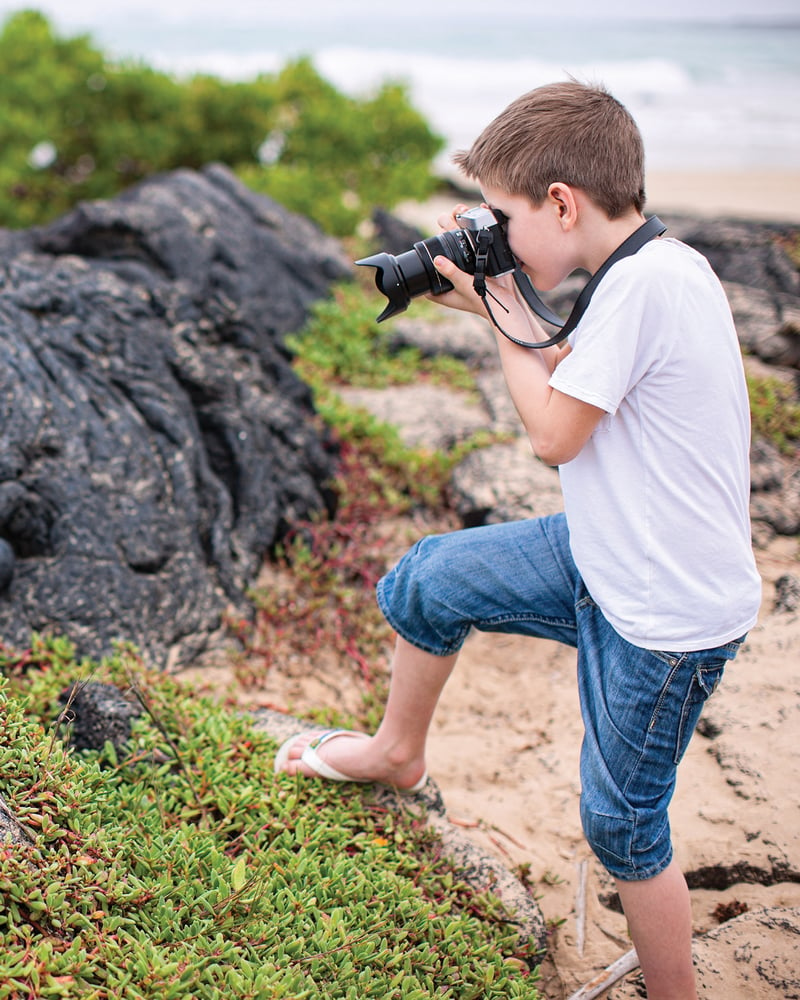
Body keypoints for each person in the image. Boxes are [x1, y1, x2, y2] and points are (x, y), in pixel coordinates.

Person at [275, 80, 762, 999]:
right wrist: (484, 293)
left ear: (563, 204)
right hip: (606, 553)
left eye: (504, 216)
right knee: (428, 582)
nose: (496, 235)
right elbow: (567, 357)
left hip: (665, 616)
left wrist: (499, 298)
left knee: (621, 827)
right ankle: (395, 753)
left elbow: (551, 435)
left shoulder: (648, 290)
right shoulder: (649, 267)